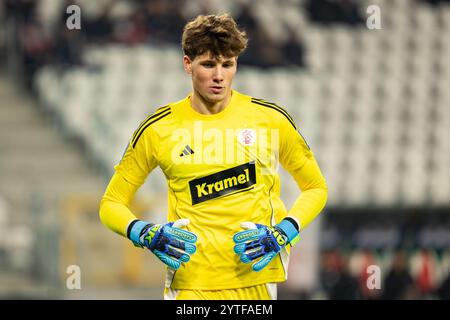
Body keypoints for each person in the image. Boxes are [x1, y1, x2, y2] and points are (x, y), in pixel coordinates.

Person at [99, 13, 328, 300]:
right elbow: (111, 204)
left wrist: (284, 231)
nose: (219, 76)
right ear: (188, 64)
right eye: (208, 64)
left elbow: (316, 188)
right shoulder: (158, 129)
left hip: (256, 279)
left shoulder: (271, 120)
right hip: (190, 284)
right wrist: (145, 233)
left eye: (227, 65)